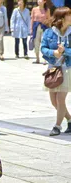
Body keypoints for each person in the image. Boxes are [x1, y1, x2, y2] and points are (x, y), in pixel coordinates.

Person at [41, 7, 71, 136]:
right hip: (53, 68)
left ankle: (57, 126)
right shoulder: (49, 32)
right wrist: (53, 53)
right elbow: (43, 48)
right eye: (69, 15)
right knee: (54, 101)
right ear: (62, 18)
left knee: (60, 99)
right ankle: (70, 120)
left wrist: (65, 52)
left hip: (68, 68)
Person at [31, 0, 51, 64]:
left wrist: (50, 29)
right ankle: (37, 58)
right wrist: (31, 29)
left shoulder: (47, 10)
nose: (39, 1)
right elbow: (32, 19)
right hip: (36, 27)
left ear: (44, 1)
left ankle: (45, 58)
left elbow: (49, 20)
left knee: (44, 43)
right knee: (36, 43)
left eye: (41, 0)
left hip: (44, 28)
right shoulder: (34, 9)